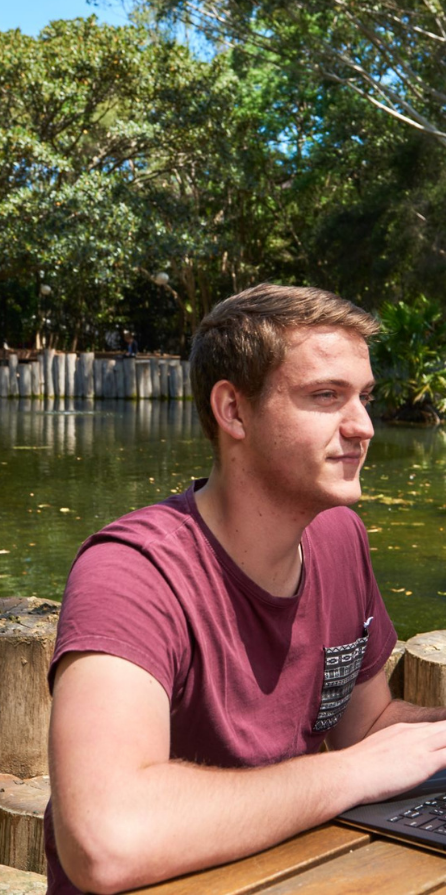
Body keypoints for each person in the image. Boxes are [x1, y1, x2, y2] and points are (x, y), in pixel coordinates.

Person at [46, 284, 446, 894]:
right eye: (325, 396)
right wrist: (351, 773)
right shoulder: (132, 573)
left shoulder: (338, 538)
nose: (364, 426)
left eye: (364, 396)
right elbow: (106, 838)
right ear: (233, 411)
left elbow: (367, 731)